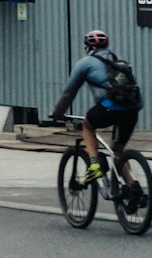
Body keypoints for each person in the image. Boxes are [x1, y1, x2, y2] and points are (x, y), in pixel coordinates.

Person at [50, 29, 142, 183]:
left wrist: (57, 114)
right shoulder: (118, 61)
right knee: (118, 151)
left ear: (87, 46)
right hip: (132, 110)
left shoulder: (85, 63)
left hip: (109, 108)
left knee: (87, 126)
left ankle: (94, 165)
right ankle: (132, 188)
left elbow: (68, 93)